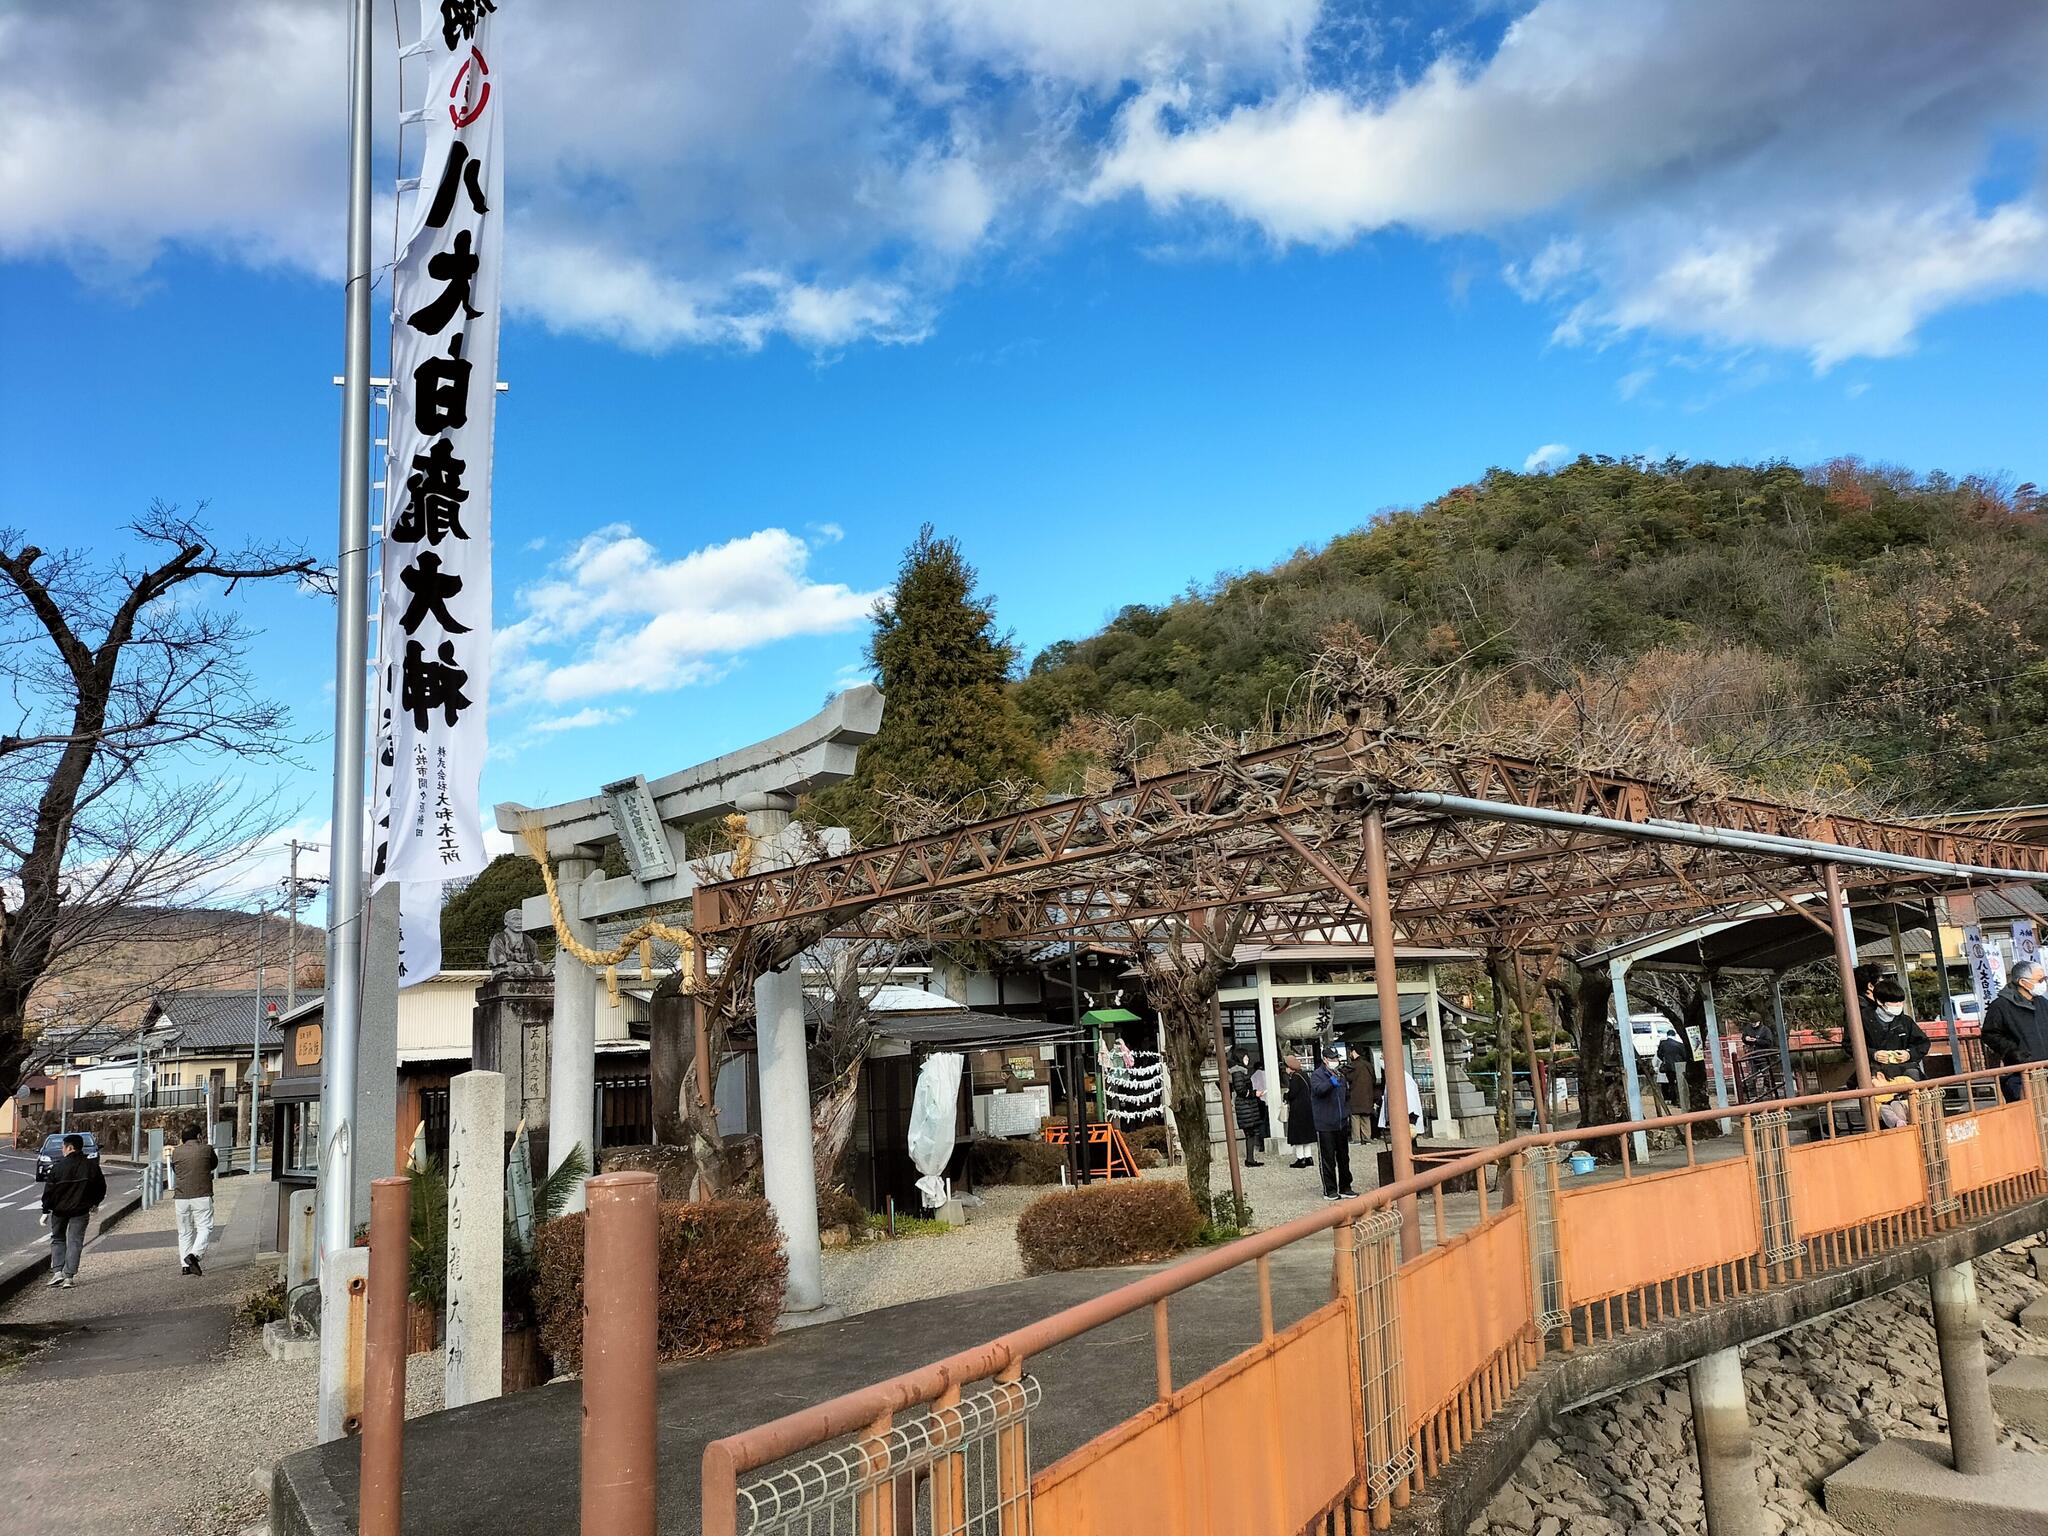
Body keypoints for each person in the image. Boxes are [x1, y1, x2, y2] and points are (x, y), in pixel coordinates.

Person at [39, 1132, 106, 1289]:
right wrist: (95, 1203)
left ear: (69, 1147)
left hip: (59, 1211)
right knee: (75, 1241)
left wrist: (45, 1210)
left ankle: (57, 1272)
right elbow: (101, 1187)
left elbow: (49, 1191)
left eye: (63, 1146)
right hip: (81, 1210)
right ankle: (69, 1276)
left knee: (58, 1238)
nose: (62, 1149)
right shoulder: (91, 1166)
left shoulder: (58, 1168)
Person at [1983, 959, 2048, 1102]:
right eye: (2040, 979)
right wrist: (2014, 1052)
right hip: (2022, 1076)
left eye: (2045, 978)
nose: (2043, 983)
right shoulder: (2001, 1006)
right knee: (2032, 1117)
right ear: (2023, 982)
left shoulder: (2042, 1002)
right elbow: (1989, 1034)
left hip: (2045, 1070)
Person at [170, 1122, 219, 1276]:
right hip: (202, 1195)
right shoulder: (207, 1149)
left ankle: (185, 1266)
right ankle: (194, 1255)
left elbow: (174, 1169)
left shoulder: (176, 1152)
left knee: (184, 1231)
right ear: (199, 1136)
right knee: (204, 1227)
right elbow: (213, 1165)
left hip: (181, 1197)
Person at [1310, 1049, 1355, 1200]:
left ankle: (1345, 1187)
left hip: (1341, 1122)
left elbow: (1346, 1096)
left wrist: (1347, 1113)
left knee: (1344, 1157)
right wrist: (1330, 1082)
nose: (1335, 1060)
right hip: (1325, 1124)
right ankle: (1330, 1190)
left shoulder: (1341, 1075)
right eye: (1332, 1057)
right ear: (1324, 1059)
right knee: (1327, 1158)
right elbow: (1318, 1090)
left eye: (1336, 1057)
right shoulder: (1317, 1075)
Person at [1228, 1050, 1264, 1167]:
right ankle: (1250, 1159)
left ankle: (1250, 1158)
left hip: (1248, 1105)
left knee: (1251, 1133)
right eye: (1245, 1057)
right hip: (1245, 1105)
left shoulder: (1241, 1071)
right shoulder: (1238, 1072)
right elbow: (1241, 1089)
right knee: (1250, 1132)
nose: (1247, 1059)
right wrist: (1254, 1093)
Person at [1281, 1054, 1317, 1169]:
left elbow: (1292, 1094)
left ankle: (1300, 1159)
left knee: (1298, 1136)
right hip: (1307, 1109)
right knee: (1306, 1136)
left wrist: (1286, 1095)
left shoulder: (1295, 1077)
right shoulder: (1304, 1075)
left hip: (1298, 1110)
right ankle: (1309, 1157)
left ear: (1290, 1067)